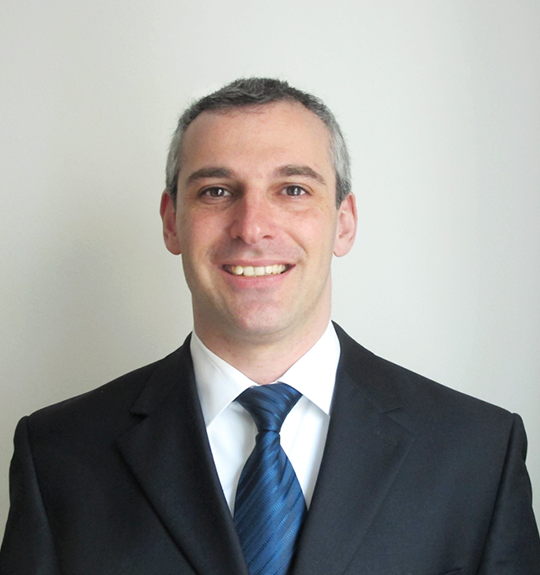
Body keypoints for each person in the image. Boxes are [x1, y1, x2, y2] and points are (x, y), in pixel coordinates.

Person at [1, 77, 539, 575]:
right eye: (216, 190)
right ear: (171, 222)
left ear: (344, 222)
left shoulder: (478, 453)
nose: (253, 227)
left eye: (293, 189)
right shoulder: (56, 456)